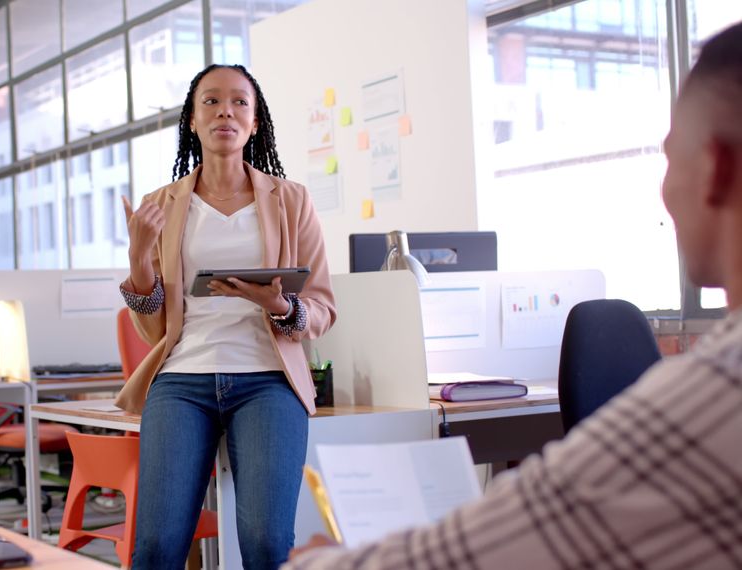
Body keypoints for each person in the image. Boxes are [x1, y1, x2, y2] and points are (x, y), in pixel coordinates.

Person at [284, 21, 742, 570]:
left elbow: (469, 553)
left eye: (669, 160)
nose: (664, 194)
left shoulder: (712, 395)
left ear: (716, 170)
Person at [116, 64, 337, 569]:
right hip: (182, 379)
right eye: (211, 101)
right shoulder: (159, 205)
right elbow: (153, 326)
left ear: (255, 122)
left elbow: (323, 307)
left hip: (268, 380)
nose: (225, 111)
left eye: (239, 102)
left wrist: (278, 305)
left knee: (264, 542)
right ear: (192, 120)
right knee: (155, 548)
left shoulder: (293, 200)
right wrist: (138, 259)